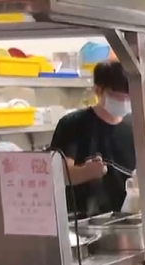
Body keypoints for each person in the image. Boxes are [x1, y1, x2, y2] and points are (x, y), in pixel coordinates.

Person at [50, 61, 134, 216]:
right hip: (84, 222)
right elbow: (57, 175)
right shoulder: (73, 124)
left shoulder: (134, 128)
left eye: (128, 97)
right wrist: (85, 172)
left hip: (127, 218)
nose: (123, 102)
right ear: (97, 90)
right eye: (117, 96)